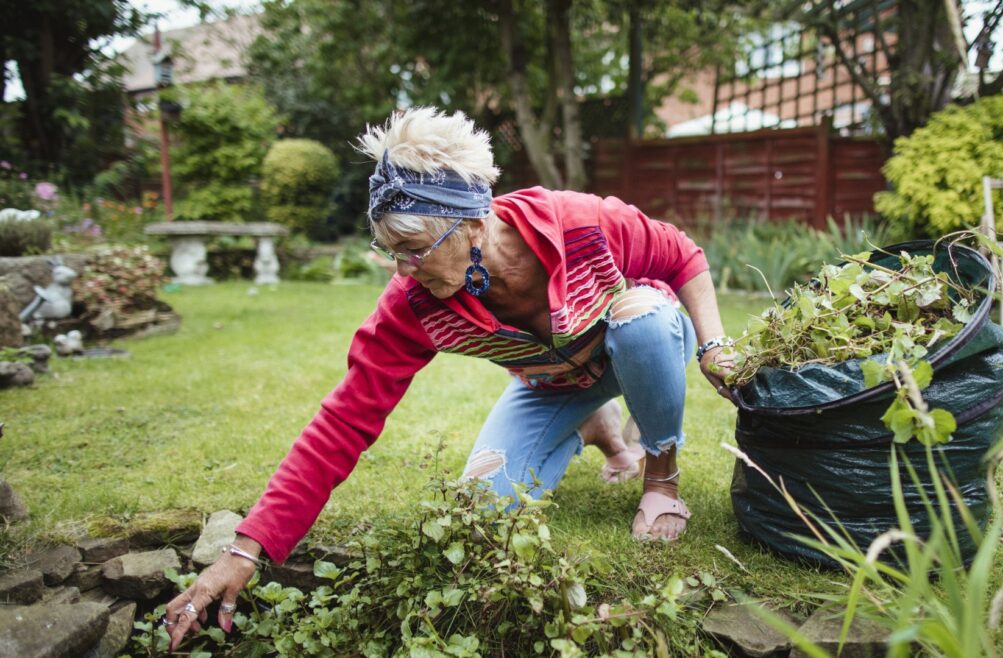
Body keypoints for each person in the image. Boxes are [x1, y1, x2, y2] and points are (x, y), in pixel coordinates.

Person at [163, 107, 735, 650]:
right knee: (481, 513)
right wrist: (247, 548)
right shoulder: (412, 302)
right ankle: (598, 427)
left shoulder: (578, 221)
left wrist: (713, 345)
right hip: (552, 383)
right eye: (388, 250)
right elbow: (344, 419)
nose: (401, 269)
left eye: (412, 249)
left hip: (637, 343)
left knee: (645, 322)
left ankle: (659, 474)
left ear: (472, 224)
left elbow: (682, 256)